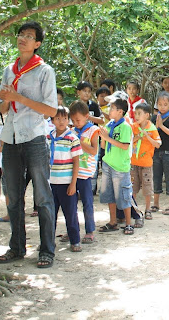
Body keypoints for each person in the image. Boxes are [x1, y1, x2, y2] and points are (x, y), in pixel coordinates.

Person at [0, 21, 58, 269]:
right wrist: (4, 100)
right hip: (11, 137)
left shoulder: (44, 71)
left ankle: (47, 250)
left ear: (37, 43)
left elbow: (51, 110)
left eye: (29, 36)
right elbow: (3, 109)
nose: (22, 38)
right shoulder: (8, 70)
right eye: (20, 34)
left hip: (34, 137)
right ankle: (17, 247)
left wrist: (18, 97)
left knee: (42, 197)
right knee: (13, 197)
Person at [48, 106, 83, 252]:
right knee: (50, 215)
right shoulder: (48, 138)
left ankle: (75, 241)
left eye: (64, 118)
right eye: (57, 118)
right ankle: (48, 242)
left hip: (66, 183)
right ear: (52, 120)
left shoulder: (72, 138)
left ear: (68, 120)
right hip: (51, 183)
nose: (61, 121)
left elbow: (76, 162)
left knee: (70, 214)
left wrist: (73, 184)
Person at [98, 98, 135, 235]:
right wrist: (103, 136)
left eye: (112, 108)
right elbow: (103, 146)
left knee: (124, 195)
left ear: (120, 111)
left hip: (120, 166)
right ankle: (112, 221)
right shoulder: (109, 125)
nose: (110, 111)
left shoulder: (125, 127)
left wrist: (107, 138)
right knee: (109, 194)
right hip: (108, 163)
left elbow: (125, 146)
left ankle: (128, 223)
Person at [68, 101, 99, 244]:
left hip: (85, 173)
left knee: (87, 203)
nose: (75, 123)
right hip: (71, 173)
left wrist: (79, 141)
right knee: (71, 204)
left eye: (78, 120)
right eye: (73, 121)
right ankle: (72, 231)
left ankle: (89, 231)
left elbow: (94, 150)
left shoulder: (93, 130)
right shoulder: (71, 131)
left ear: (87, 116)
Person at [131, 103, 161, 219]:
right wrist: (138, 136)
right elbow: (129, 141)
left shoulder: (152, 128)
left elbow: (158, 144)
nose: (136, 116)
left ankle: (148, 209)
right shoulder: (133, 127)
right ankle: (133, 209)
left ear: (147, 115)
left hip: (146, 163)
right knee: (133, 187)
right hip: (133, 162)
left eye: (139, 114)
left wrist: (147, 136)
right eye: (135, 113)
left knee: (147, 188)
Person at [151, 91, 169, 214]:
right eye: (160, 104)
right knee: (156, 178)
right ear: (157, 105)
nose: (162, 107)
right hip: (156, 152)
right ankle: (155, 204)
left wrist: (161, 126)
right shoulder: (153, 118)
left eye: (165, 104)